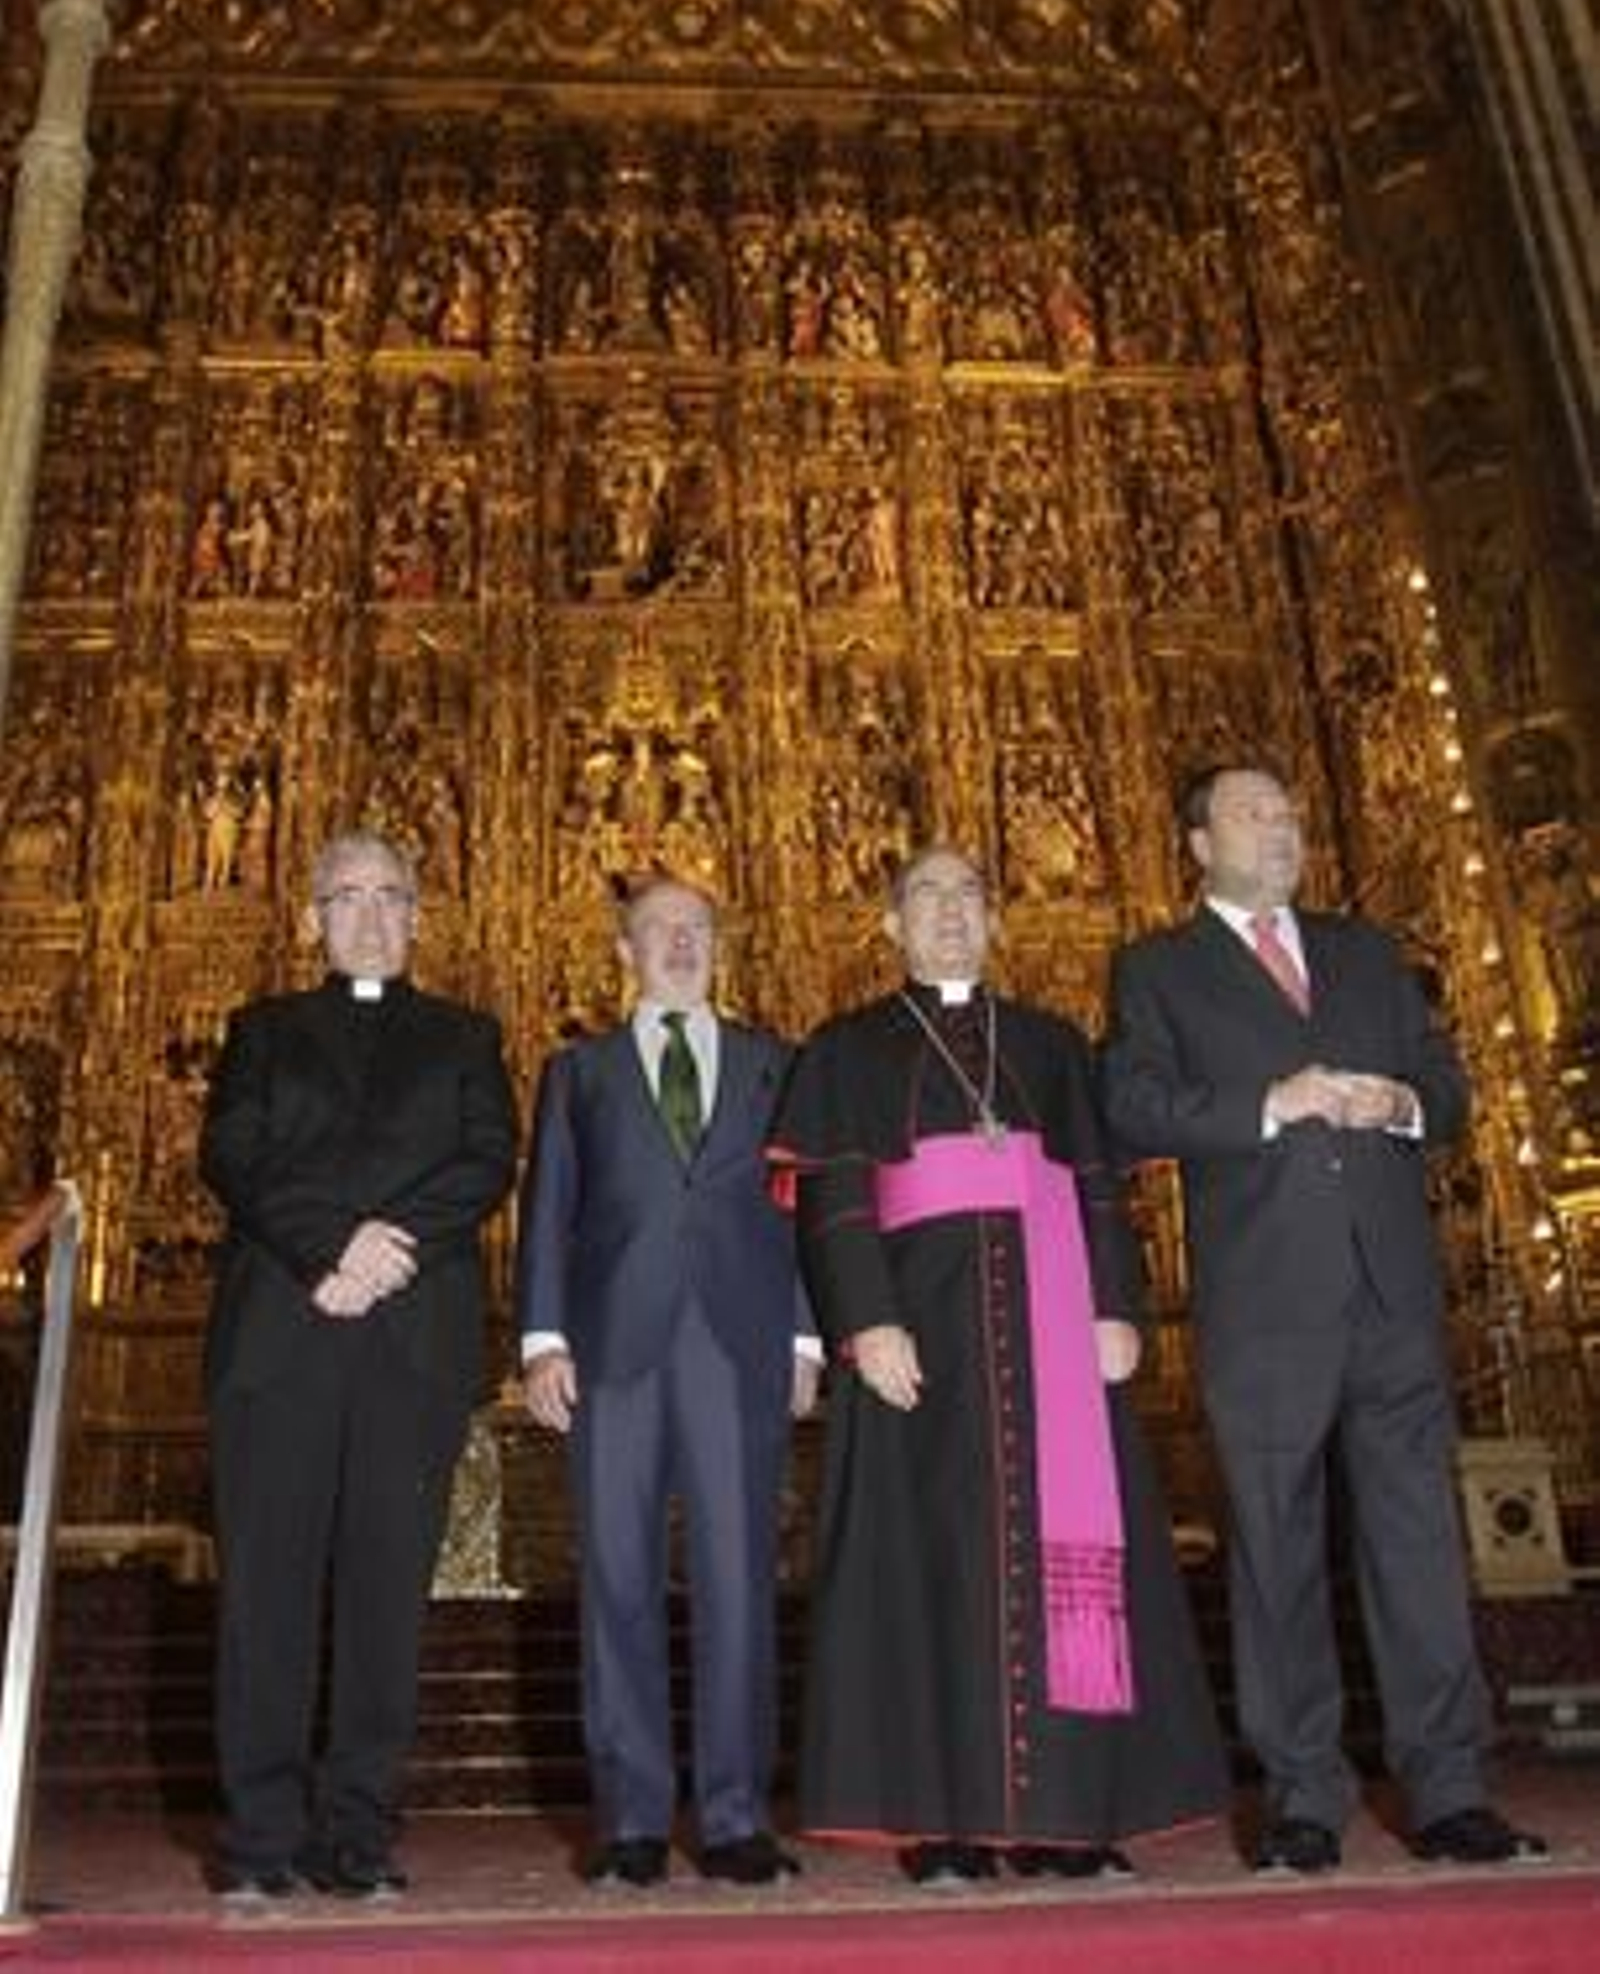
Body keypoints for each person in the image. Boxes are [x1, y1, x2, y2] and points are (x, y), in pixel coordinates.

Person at [1101, 763, 1548, 1874]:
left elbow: (1447, 1086)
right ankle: (1303, 1791)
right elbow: (1133, 1103)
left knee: (1416, 1545)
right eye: (1256, 813)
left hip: (1391, 1296)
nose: (1285, 827)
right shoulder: (1158, 967)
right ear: (1198, 842)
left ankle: (1447, 1786)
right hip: (1264, 1309)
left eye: (1292, 811)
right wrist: (1270, 1103)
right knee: (1276, 1550)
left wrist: (1400, 1102)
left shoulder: (1364, 950)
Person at [769, 846, 1225, 1885]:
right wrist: (865, 1323)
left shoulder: (1051, 1044)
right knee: (926, 1565)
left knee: (1075, 1565)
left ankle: (1078, 1810)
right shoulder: (846, 1048)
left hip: (1053, 1332)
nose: (947, 914)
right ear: (889, 924)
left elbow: (1102, 1189)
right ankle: (942, 1819)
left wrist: (1120, 1306)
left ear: (994, 919)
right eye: (925, 897)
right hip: (918, 1348)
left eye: (967, 896)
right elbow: (835, 1196)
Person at [199, 830, 518, 1903]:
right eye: (348, 895)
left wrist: (382, 1252)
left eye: (393, 894)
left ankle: (359, 1833)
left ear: (420, 914)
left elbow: (485, 1157)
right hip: (282, 1338)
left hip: (408, 1340)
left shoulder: (465, 1034)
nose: (372, 913)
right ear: (311, 917)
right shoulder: (264, 1030)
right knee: (267, 1594)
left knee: (386, 1596)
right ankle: (259, 1836)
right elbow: (234, 1152)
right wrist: (328, 1243)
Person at [516, 875, 818, 1888]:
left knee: (739, 1580)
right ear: (625, 951)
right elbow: (548, 1205)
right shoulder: (580, 1071)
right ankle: (632, 1816)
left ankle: (735, 1813)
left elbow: (801, 1208)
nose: (680, 942)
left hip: (740, 1340)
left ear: (719, 944)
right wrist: (542, 1338)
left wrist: (809, 1340)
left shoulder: (775, 1063)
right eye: (660, 929)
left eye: (697, 927)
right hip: (614, 1346)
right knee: (616, 1579)